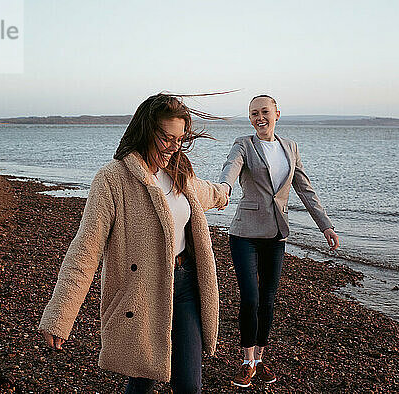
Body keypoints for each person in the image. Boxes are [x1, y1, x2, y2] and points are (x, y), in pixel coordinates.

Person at [38, 93, 229, 393]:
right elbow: (84, 252)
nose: (173, 147)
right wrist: (59, 316)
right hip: (144, 291)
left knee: (189, 385)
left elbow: (202, 192)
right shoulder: (112, 180)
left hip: (186, 286)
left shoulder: (179, 172)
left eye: (179, 139)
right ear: (145, 130)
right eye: (166, 138)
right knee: (142, 379)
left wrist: (224, 193)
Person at [219, 95, 339, 388]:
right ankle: (246, 361)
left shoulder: (290, 148)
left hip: (276, 235)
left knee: (268, 300)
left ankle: (260, 359)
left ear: (277, 114)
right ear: (250, 118)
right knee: (250, 298)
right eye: (253, 113)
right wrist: (223, 188)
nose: (259, 118)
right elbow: (230, 168)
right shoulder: (243, 144)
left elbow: (305, 190)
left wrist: (326, 226)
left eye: (264, 112)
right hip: (244, 233)